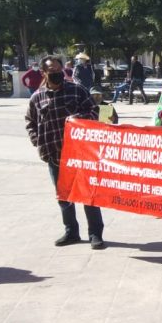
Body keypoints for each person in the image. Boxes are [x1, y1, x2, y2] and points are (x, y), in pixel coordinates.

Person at [26, 56, 105, 249]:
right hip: (54, 154)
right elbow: (30, 122)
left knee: (88, 195)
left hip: (80, 155)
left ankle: (95, 233)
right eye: (51, 69)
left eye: (58, 69)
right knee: (64, 197)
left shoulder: (77, 91)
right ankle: (71, 232)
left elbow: (94, 112)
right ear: (44, 73)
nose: (56, 73)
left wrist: (77, 119)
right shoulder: (37, 97)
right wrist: (38, 142)